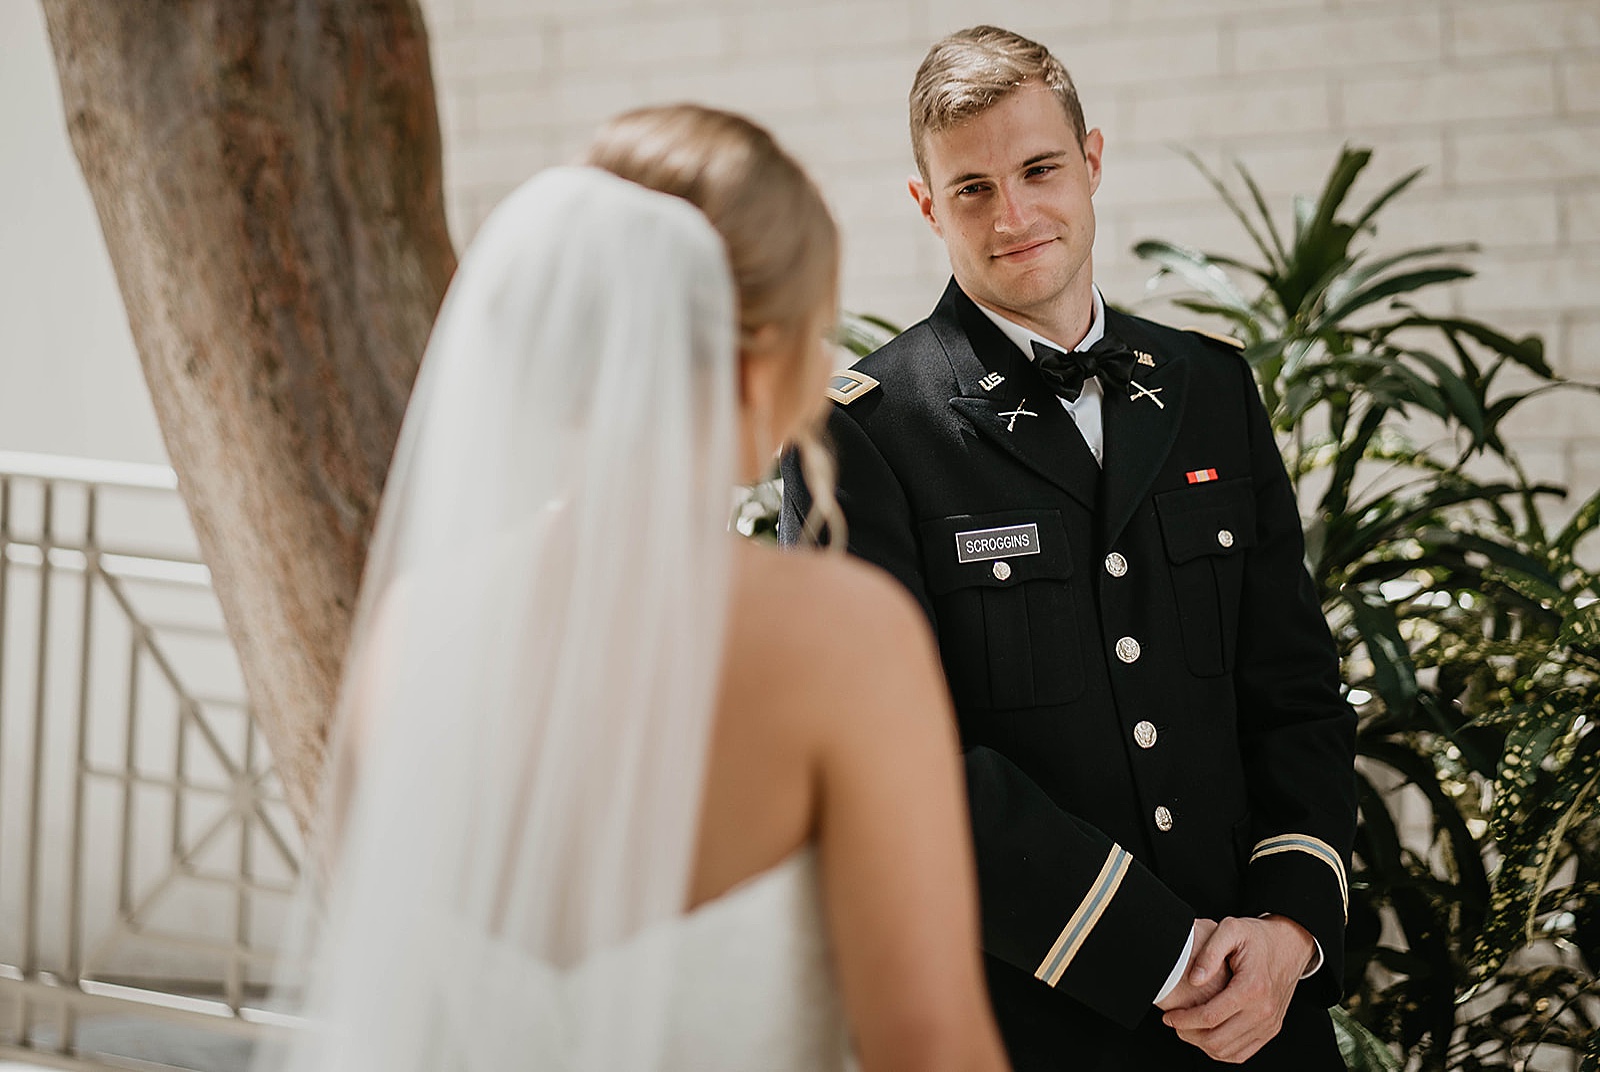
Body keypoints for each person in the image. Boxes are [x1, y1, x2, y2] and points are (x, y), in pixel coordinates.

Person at [269, 105, 1009, 1072]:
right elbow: (930, 1049)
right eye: (813, 333)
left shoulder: (414, 633)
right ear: (756, 360)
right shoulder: (846, 644)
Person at [780, 26, 1358, 1072]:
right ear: (926, 207)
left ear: (1091, 161)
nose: (1014, 216)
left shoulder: (1210, 387)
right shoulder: (858, 434)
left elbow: (1295, 689)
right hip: (1026, 1026)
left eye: (1039, 169)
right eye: (971, 189)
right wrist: (1158, 951)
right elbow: (888, 761)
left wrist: (1287, 931)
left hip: (1266, 1019)